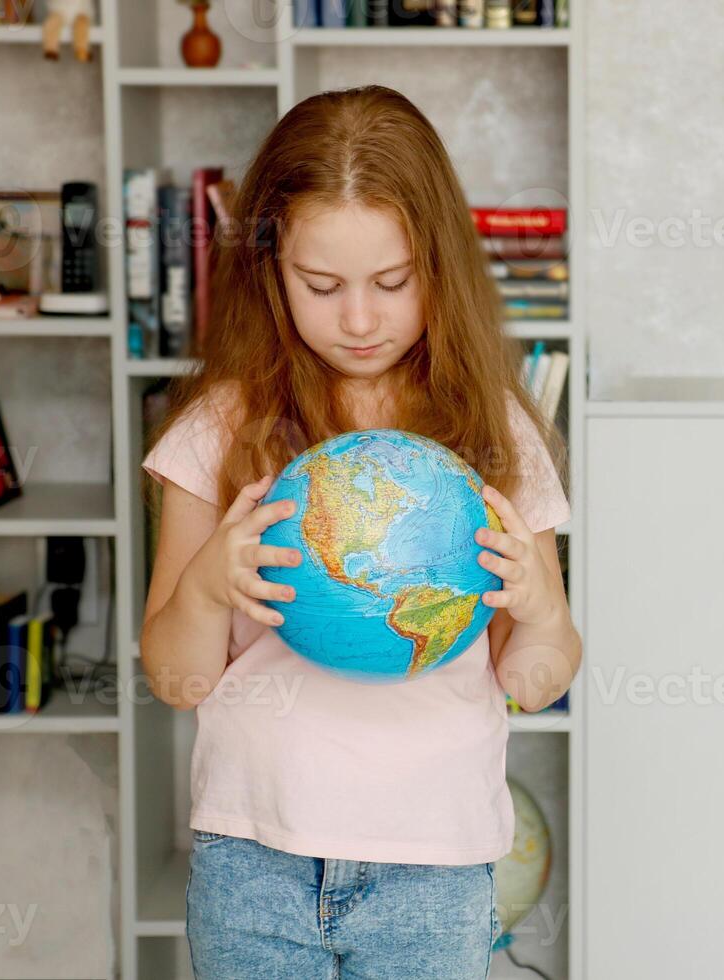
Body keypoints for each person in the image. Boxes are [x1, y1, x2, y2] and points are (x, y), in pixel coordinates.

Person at [138, 85, 581, 980]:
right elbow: (178, 679)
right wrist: (205, 587)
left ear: (439, 268)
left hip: (435, 862)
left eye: (392, 281)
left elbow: (536, 680)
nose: (359, 319)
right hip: (251, 860)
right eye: (321, 285)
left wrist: (536, 611)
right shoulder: (219, 430)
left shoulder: (492, 430)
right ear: (271, 273)